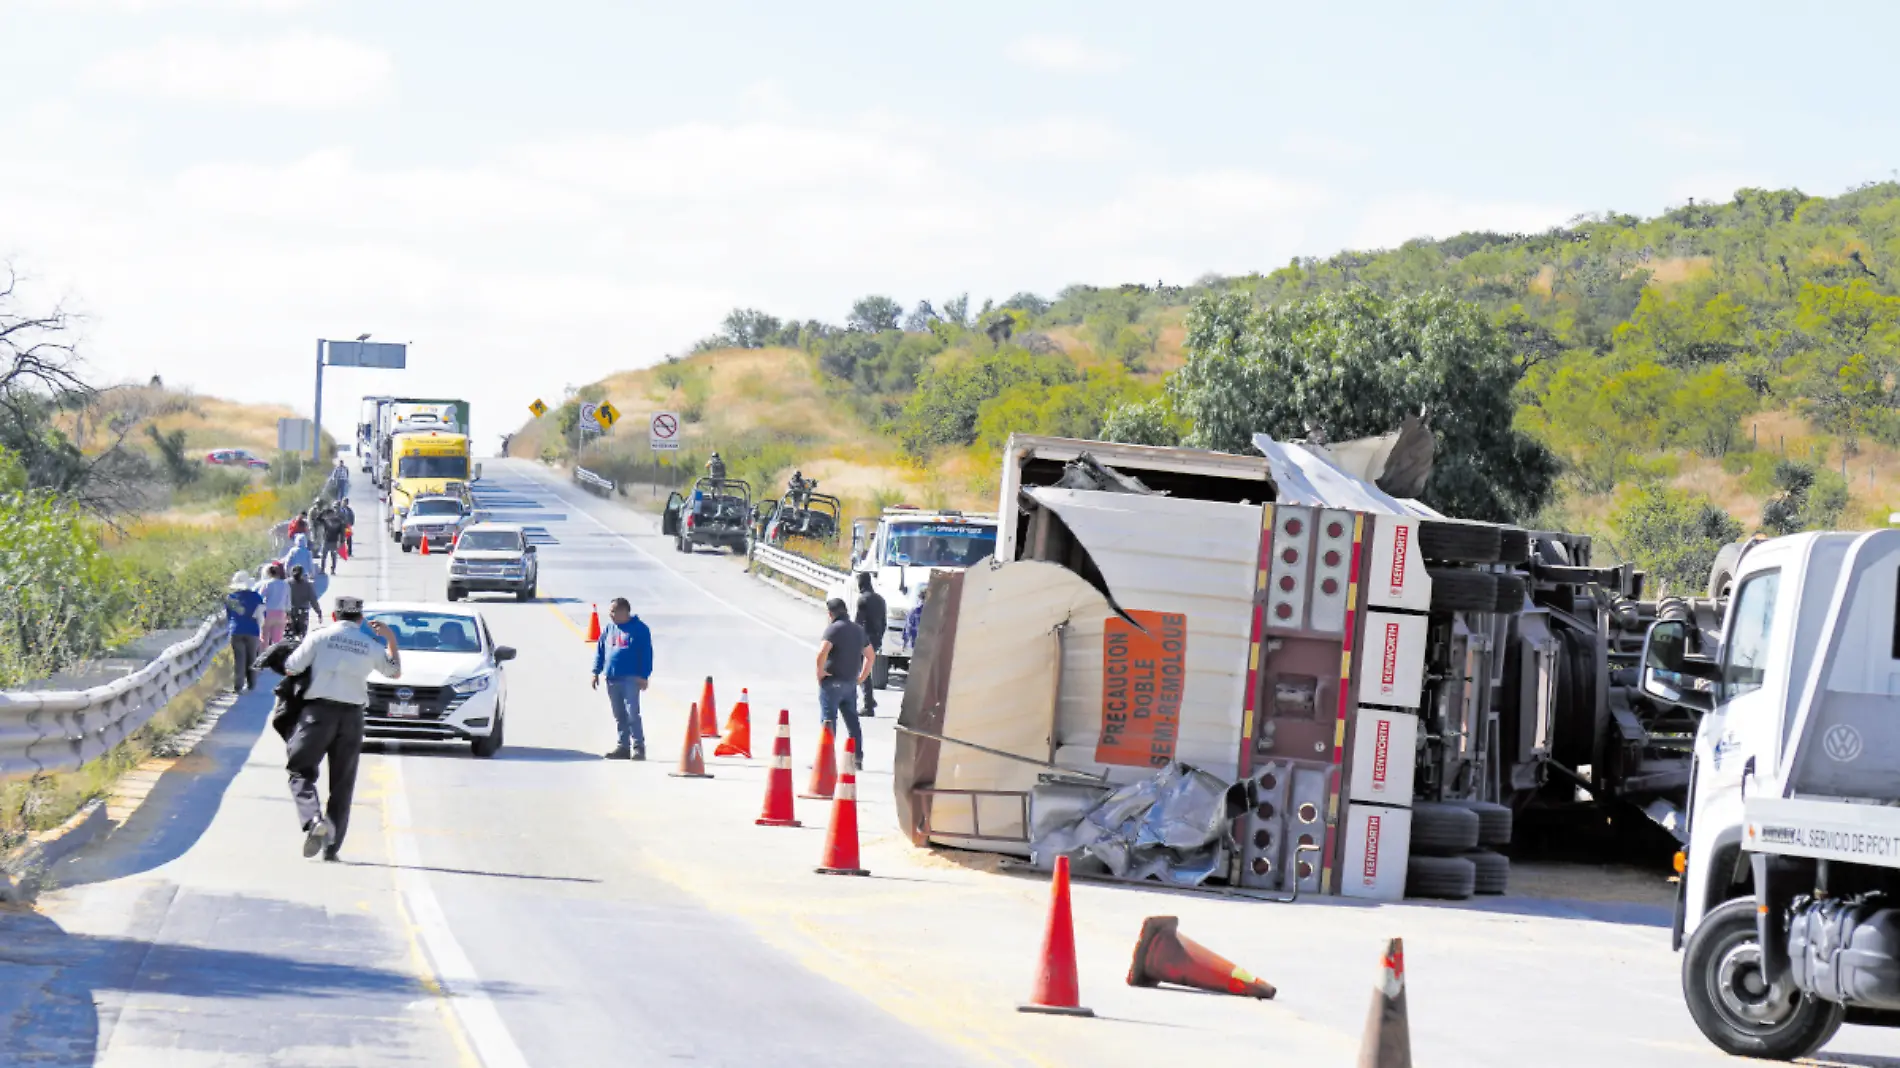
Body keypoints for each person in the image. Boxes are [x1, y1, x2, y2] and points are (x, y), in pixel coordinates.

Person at [283, 596, 400, 861]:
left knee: (299, 770)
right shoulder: (371, 645)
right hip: (352, 717)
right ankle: (332, 847)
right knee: (342, 783)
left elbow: (291, 668)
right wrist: (391, 638)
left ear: (335, 616)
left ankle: (314, 821)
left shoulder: (319, 637)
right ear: (360, 619)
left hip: (318, 714)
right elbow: (394, 673)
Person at [590, 597, 653, 760]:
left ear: (624, 611)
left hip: (630, 678)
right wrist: (595, 671)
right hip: (612, 677)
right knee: (619, 714)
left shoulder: (640, 629)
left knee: (632, 713)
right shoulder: (609, 629)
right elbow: (600, 650)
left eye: (613, 611)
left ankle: (639, 747)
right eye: (610, 611)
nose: (610, 614)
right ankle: (623, 747)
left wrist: (644, 675)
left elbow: (646, 654)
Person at [816, 597, 875, 764]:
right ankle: (857, 757)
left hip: (832, 681)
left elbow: (822, 653)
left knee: (828, 721)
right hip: (850, 683)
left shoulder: (833, 629)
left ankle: (825, 761)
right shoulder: (858, 630)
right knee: (852, 721)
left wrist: (820, 672)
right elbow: (870, 656)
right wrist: (862, 677)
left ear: (830, 614)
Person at [224, 570, 265, 693]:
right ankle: (251, 684)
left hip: (236, 630)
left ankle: (238, 686)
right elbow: (262, 615)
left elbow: (229, 615)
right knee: (252, 657)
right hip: (252, 630)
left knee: (239, 659)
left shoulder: (231, 598)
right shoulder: (257, 597)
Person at [854, 572, 887, 718]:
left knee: (862, 670)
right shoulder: (880, 599)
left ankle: (868, 705)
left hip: (864, 638)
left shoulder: (863, 600)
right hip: (877, 637)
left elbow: (858, 622)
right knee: (866, 668)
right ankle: (870, 700)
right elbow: (884, 622)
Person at [257, 562, 291, 645]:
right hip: (281, 614)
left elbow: (259, 597)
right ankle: (276, 656)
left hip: (268, 613)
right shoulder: (285, 585)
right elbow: (288, 601)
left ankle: (263, 655)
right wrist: (288, 614)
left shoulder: (267, 584)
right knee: (277, 641)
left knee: (264, 638)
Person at [288, 564, 320, 640]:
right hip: (303, 612)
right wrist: (318, 612)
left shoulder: (287, 583)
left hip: (290, 611)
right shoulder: (308, 584)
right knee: (302, 636)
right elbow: (313, 600)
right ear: (303, 573)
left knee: (289, 635)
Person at [316, 504, 347, 574]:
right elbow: (318, 519)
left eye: (331, 514)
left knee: (333, 557)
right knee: (324, 557)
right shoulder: (326, 521)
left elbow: (342, 532)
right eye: (329, 514)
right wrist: (323, 512)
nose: (330, 516)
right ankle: (322, 569)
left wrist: (342, 541)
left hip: (334, 541)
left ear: (334, 514)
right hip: (326, 541)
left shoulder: (339, 521)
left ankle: (332, 570)